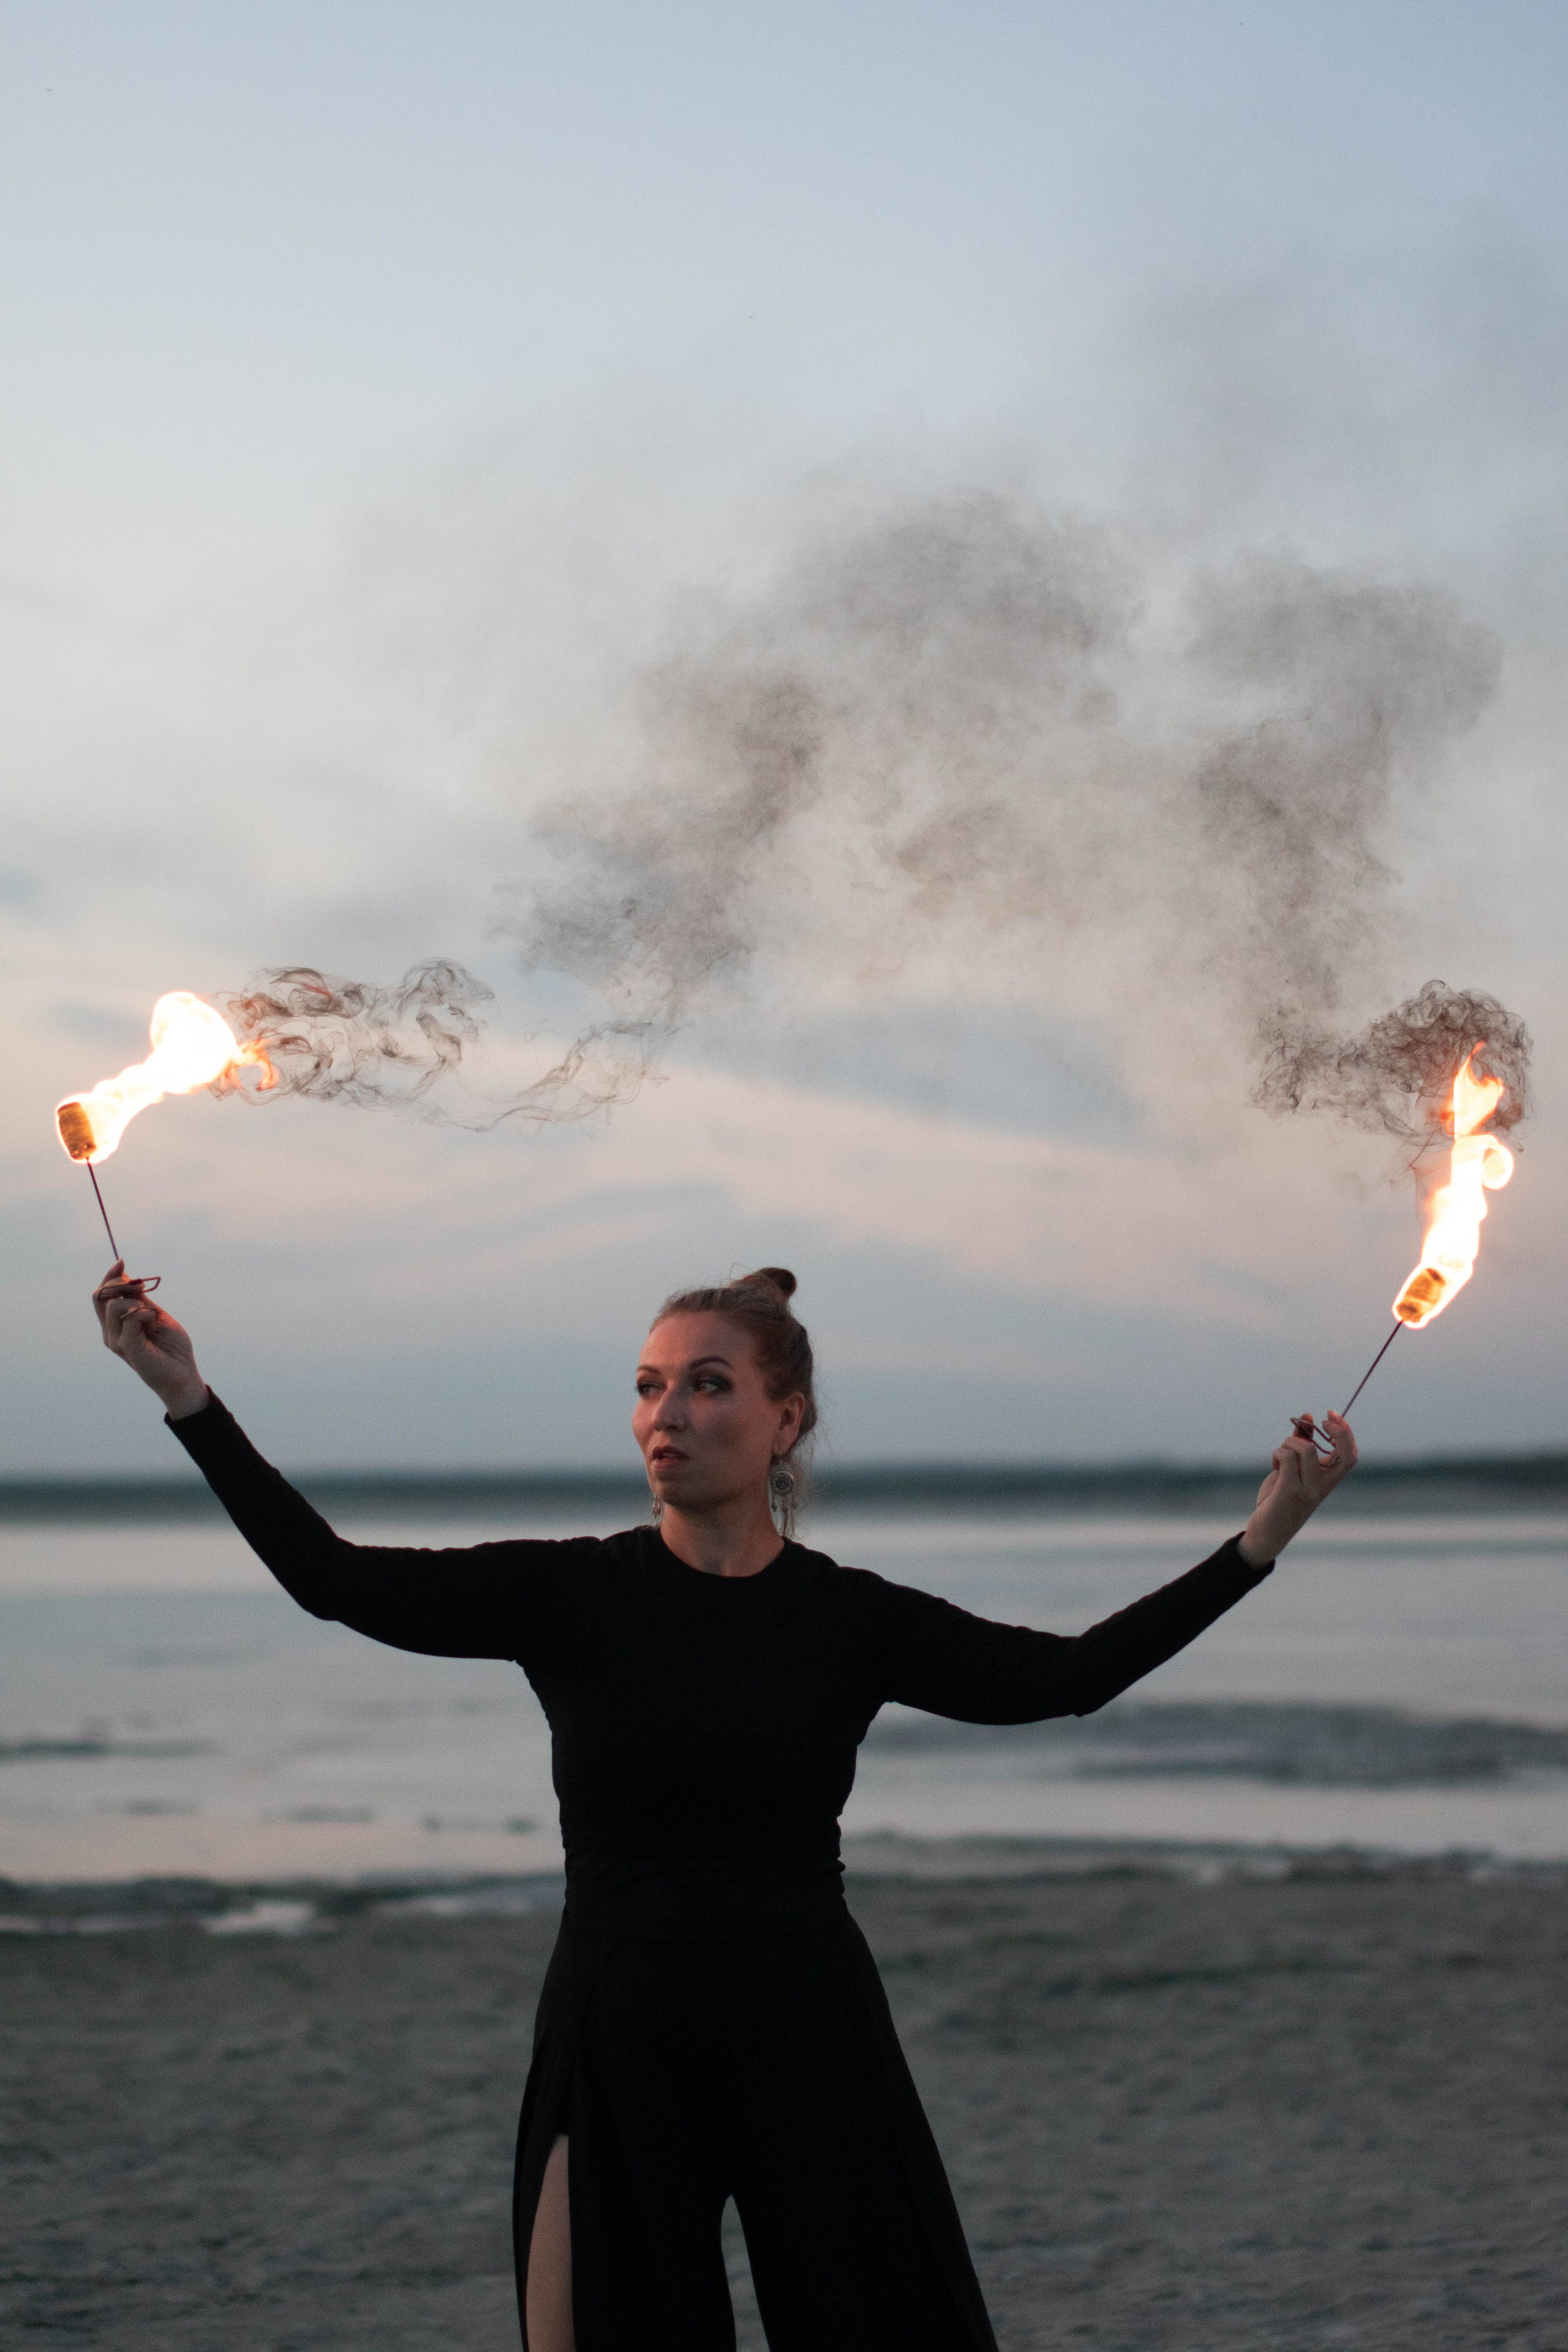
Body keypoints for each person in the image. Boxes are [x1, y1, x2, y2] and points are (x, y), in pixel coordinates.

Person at [92, 1255, 1357, 2352]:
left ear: (783, 1418)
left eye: (706, 1384)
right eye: (648, 1385)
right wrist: (187, 1400)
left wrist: (1259, 1541)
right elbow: (331, 1581)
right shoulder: (567, 1595)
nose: (668, 1412)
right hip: (617, 2030)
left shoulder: (848, 1618)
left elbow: (1068, 1677)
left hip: (807, 2031)